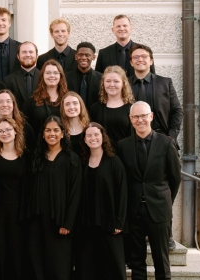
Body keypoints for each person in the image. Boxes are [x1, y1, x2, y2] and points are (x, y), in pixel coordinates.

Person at [117, 101, 181, 280]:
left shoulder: (166, 144)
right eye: (136, 117)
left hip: (159, 210)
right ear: (130, 119)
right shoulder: (123, 146)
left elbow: (175, 178)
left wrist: (165, 199)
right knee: (136, 261)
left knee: (161, 260)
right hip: (133, 210)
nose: (140, 120)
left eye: (143, 116)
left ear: (151, 116)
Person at [24, 116, 81, 280]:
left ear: (63, 134)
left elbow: (76, 193)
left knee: (59, 267)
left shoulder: (71, 159)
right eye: (48, 130)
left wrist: (68, 223)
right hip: (37, 221)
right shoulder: (37, 158)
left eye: (56, 130)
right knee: (37, 265)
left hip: (60, 223)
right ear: (42, 134)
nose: (52, 134)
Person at [74, 122, 127, 280]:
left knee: (112, 267)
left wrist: (119, 222)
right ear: (84, 139)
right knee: (87, 267)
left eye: (96, 134)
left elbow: (122, 192)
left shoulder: (114, 162)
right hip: (87, 225)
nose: (93, 138)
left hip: (109, 224)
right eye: (89, 135)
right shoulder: (82, 162)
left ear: (103, 137)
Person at [0, 118, 31, 280]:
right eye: (1, 131)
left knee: (16, 253)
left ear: (16, 131)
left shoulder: (26, 155)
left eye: (8, 130)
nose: (5, 133)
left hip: (19, 212)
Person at [128, 44, 183, 147]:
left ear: (151, 61)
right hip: (132, 141)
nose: (140, 59)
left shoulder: (165, 83)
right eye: (136, 57)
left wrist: (171, 136)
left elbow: (177, 111)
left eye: (144, 56)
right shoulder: (124, 84)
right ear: (131, 62)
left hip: (162, 139)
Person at [89, 66, 134, 148]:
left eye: (116, 81)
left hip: (125, 155)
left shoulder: (131, 108)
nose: (112, 85)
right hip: (103, 155)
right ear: (103, 83)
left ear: (123, 83)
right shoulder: (95, 108)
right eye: (108, 81)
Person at [0, 89, 36, 154]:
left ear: (13, 105)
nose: (5, 105)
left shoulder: (26, 128)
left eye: (8, 101)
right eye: (0, 102)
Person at [23, 60, 68, 134]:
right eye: (48, 73)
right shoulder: (31, 101)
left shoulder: (68, 100)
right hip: (38, 144)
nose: (52, 76)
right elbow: (25, 128)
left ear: (61, 76)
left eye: (55, 73)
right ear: (42, 76)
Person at [3, 41, 40, 107]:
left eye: (31, 52)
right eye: (24, 52)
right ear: (18, 56)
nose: (28, 55)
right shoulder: (8, 80)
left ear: (37, 56)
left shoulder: (45, 77)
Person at [65, 42, 102, 106]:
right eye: (80, 55)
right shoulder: (66, 77)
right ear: (76, 56)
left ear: (93, 57)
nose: (84, 58)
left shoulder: (101, 78)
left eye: (87, 55)